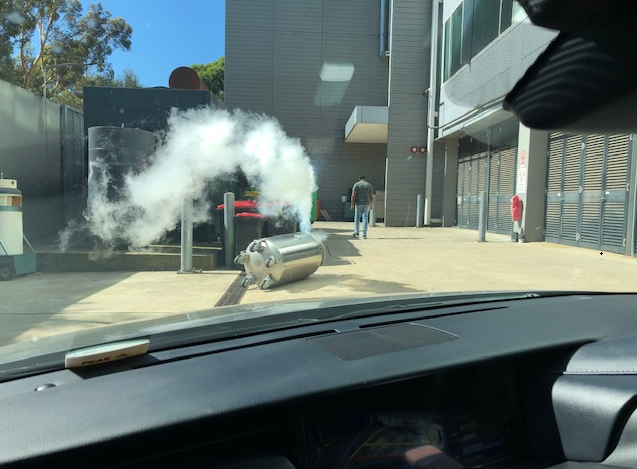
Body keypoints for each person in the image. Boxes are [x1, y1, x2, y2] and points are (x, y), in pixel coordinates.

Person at [350, 174, 374, 239]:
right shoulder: (368, 185)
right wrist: (371, 205)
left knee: (357, 218)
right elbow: (371, 196)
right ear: (364, 178)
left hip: (358, 203)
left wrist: (352, 204)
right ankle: (364, 234)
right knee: (365, 218)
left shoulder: (356, 185)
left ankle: (356, 233)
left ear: (359, 178)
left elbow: (353, 195)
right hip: (366, 204)